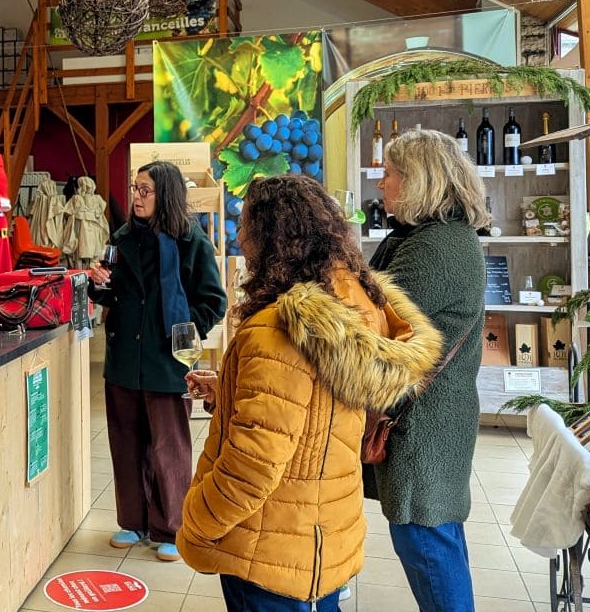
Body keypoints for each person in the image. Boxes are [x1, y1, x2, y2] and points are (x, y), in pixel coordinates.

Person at [178, 174, 442, 612]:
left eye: (246, 223)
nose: (240, 236)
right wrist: (228, 390)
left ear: (273, 234)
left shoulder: (275, 329)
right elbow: (312, 412)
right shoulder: (355, 306)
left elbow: (253, 464)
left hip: (266, 551)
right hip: (323, 540)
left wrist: (197, 522)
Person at [367, 129, 488, 611]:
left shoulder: (439, 246)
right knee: (434, 542)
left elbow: (376, 323)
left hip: (426, 427)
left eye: (390, 173)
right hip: (431, 419)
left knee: (429, 547)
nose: (382, 184)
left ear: (418, 180)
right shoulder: (433, 236)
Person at [87, 161, 227, 562]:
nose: (136, 196)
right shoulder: (122, 237)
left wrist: (184, 329)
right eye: (134, 188)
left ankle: (171, 526)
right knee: (126, 444)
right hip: (124, 361)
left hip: (168, 363)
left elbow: (214, 302)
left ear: (164, 193)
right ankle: (133, 522)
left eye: (145, 190)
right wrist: (99, 286)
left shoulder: (191, 240)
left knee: (168, 447)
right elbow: (110, 293)